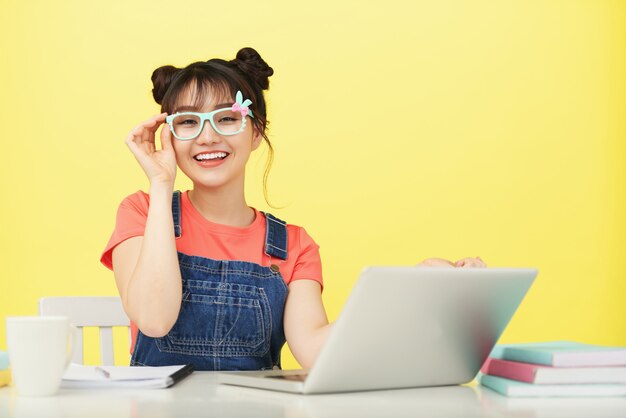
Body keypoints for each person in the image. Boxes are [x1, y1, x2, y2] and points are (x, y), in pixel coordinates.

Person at [100, 47, 486, 371]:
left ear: (256, 131)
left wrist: (413, 289)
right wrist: (161, 181)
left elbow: (317, 352)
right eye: (188, 122)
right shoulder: (143, 210)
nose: (208, 136)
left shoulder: (294, 246)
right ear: (168, 135)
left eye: (226, 118)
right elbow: (153, 319)